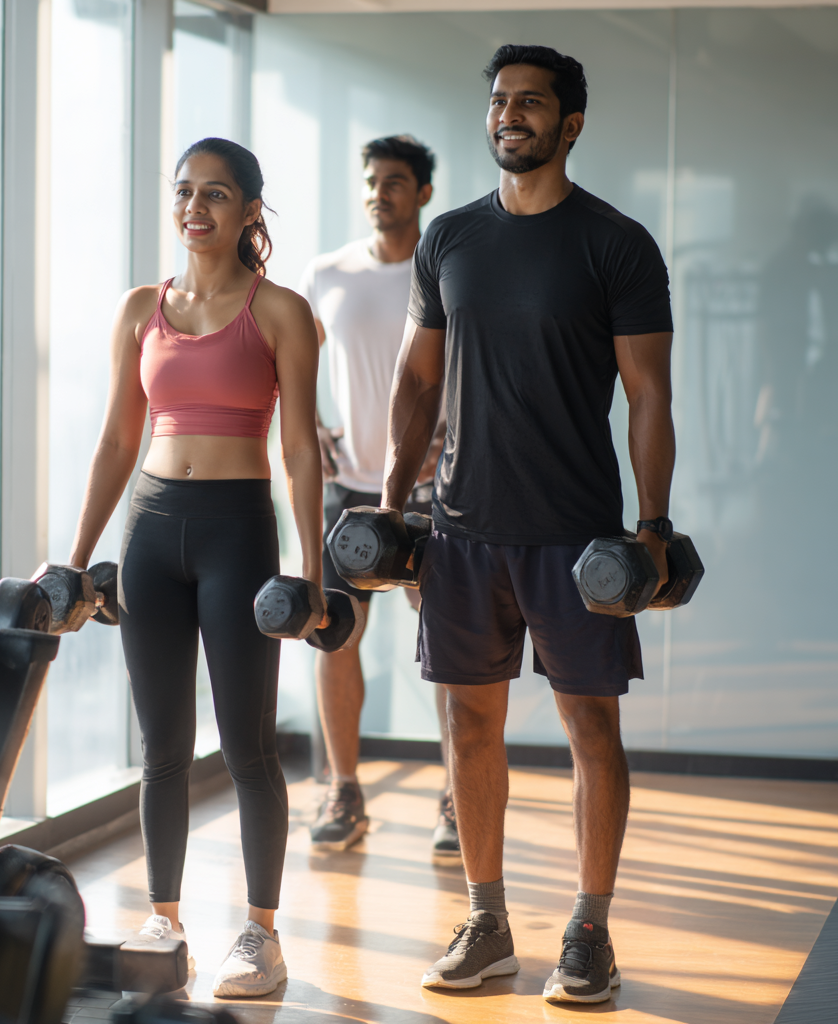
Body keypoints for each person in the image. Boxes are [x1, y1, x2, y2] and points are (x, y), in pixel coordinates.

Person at [380, 46, 675, 1004]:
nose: (510, 115)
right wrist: (393, 507)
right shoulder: (451, 239)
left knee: (591, 727)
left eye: (532, 104)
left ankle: (589, 928)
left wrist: (654, 526)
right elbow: (418, 380)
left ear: (571, 124)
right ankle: (489, 917)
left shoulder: (616, 244)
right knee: (469, 723)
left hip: (576, 534)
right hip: (463, 529)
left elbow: (648, 394)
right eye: (500, 102)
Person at [66, 137, 323, 999]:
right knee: (163, 748)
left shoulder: (280, 310)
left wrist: (313, 571)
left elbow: (298, 449)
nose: (195, 207)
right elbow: (114, 440)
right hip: (149, 532)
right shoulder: (142, 306)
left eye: (216, 193)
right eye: (184, 192)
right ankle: (163, 919)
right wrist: (73, 563)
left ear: (252, 209)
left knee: (248, 747)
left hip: (237, 533)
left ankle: (260, 934)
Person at [297, 136, 456, 862]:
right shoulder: (327, 273)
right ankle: (345, 788)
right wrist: (309, 428)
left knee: (452, 647)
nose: (379, 191)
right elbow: (289, 367)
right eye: (371, 181)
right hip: (350, 487)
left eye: (395, 181)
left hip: (434, 489)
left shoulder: (448, 271)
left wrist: (454, 438)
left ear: (423, 192)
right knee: (333, 635)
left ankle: (458, 794)